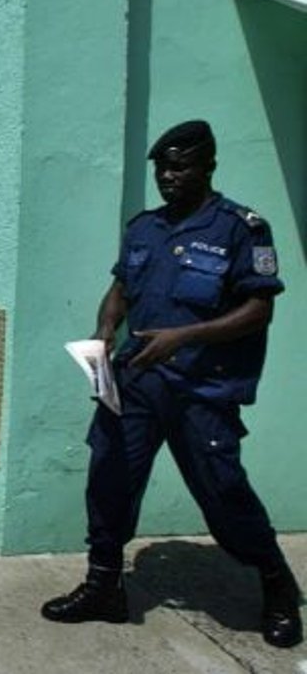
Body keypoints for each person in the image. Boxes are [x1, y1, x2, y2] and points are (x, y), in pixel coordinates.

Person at [41, 119, 302, 649]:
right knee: (109, 478)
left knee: (224, 493)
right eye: (162, 168)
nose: (168, 177)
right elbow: (119, 289)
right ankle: (103, 586)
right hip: (136, 382)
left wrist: (184, 336)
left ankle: (276, 582)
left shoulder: (241, 228)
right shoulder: (144, 228)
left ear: (208, 167)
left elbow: (258, 310)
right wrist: (104, 329)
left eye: (179, 167)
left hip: (202, 390)